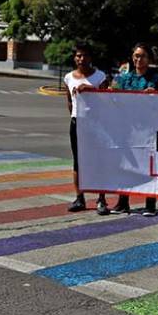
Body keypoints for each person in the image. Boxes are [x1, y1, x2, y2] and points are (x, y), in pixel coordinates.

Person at [111, 42, 158, 216]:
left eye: (142, 55)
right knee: (125, 165)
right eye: (136, 55)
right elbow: (111, 97)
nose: (138, 59)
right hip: (127, 129)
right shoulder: (124, 78)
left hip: (149, 130)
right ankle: (123, 201)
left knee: (149, 165)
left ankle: (150, 203)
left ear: (149, 59)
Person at [64, 43, 110, 214]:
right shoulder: (69, 77)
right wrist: (75, 117)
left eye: (84, 55)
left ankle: (102, 199)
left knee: (98, 160)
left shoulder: (99, 76)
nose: (81, 59)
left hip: (97, 124)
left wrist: (91, 88)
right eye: (78, 55)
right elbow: (69, 101)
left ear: (90, 58)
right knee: (78, 162)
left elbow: (108, 99)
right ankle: (79, 198)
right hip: (77, 123)